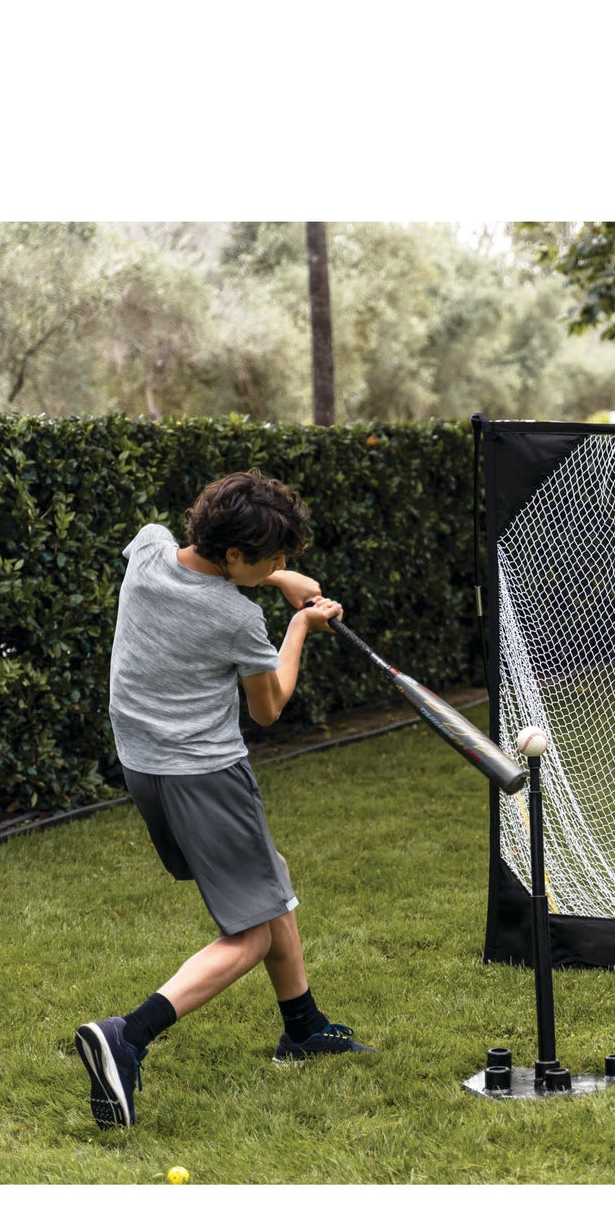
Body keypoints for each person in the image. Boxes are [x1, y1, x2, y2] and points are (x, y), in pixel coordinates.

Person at [75, 469, 373, 1130]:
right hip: (205, 776)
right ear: (235, 556)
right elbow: (268, 707)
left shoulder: (148, 546)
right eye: (273, 556)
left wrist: (274, 578)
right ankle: (127, 1035)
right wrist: (298, 624)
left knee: (273, 877)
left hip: (144, 767)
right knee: (252, 929)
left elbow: (200, 569)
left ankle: (303, 1028)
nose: (284, 564)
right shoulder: (236, 618)